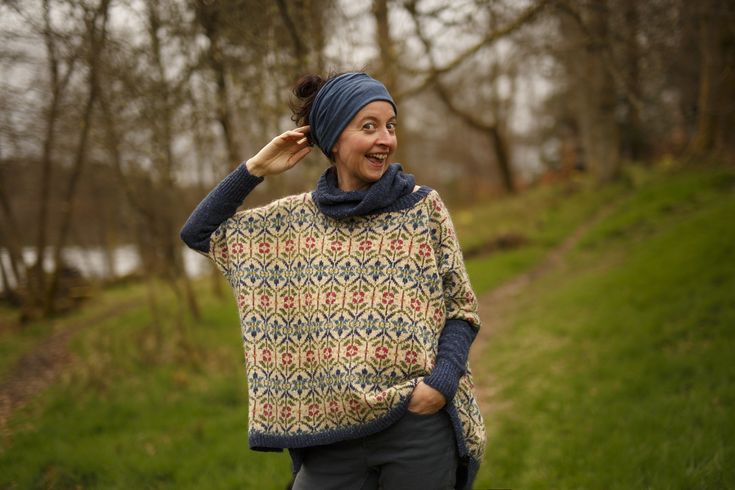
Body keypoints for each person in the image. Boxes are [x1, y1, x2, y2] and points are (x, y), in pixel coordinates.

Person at [180, 72, 485, 490]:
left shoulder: (422, 208)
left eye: (390, 126)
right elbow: (199, 233)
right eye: (368, 126)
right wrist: (254, 170)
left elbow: (460, 308)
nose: (385, 139)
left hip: (415, 426)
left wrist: (441, 382)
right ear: (334, 140)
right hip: (330, 438)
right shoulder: (291, 223)